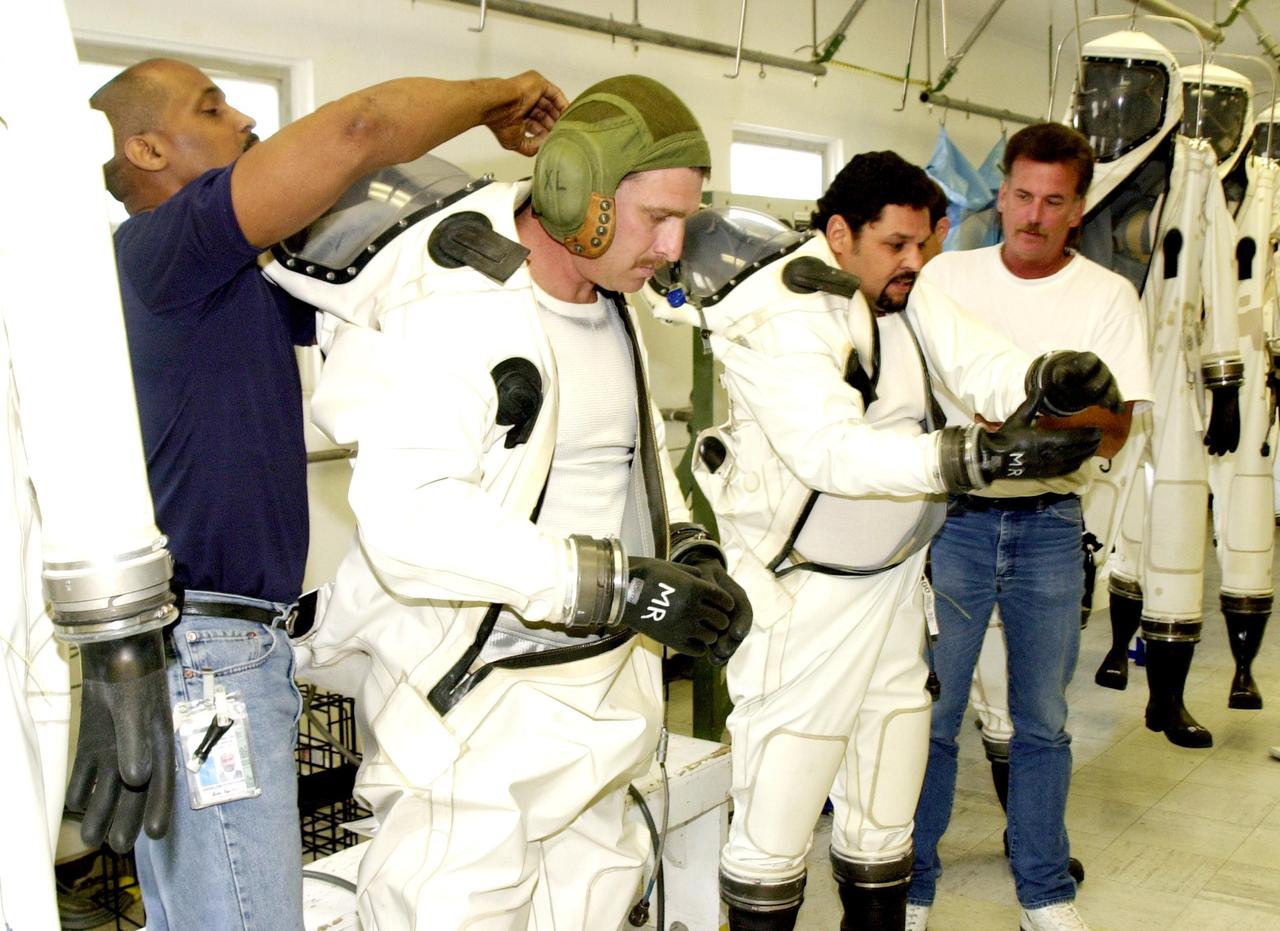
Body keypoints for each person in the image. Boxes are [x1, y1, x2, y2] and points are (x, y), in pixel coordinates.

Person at [89, 58, 569, 930]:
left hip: (223, 644)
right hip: (210, 661)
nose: (243, 119)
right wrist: (495, 95)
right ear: (147, 147)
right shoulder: (163, 250)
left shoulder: (231, 279)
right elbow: (359, 132)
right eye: (213, 105)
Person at [264, 74, 752, 930]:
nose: (674, 248)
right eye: (657, 219)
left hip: (603, 703)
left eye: (686, 219)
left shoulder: (612, 306)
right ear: (578, 195)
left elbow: (637, 455)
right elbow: (409, 514)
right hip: (478, 721)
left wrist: (685, 547)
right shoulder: (459, 310)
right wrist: (619, 585)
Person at [641, 150, 1122, 931]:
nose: (915, 260)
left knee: (886, 811)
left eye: (923, 243)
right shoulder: (780, 311)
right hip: (806, 599)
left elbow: (979, 362)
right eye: (896, 244)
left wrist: (1049, 379)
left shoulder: (903, 292)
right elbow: (830, 449)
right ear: (839, 233)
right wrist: (962, 457)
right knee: (778, 820)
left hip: (898, 584)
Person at [907, 122, 1153, 931]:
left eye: (1054, 201)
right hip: (958, 523)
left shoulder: (1108, 297)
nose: (1034, 215)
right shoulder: (947, 279)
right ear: (1000, 192)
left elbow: (1114, 426)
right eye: (1021, 195)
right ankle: (912, 884)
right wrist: (1057, 418)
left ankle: (1045, 892)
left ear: (1078, 209)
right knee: (933, 716)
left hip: (1051, 525)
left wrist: (1021, 428)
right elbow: (935, 399)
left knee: (1043, 719)